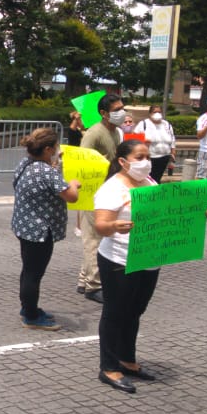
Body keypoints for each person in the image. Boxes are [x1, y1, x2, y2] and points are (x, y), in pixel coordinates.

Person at [93, 139, 197, 393]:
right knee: (115, 312)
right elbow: (101, 226)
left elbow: (164, 212)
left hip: (149, 257)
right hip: (119, 260)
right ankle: (109, 367)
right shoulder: (112, 188)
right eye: (139, 157)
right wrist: (114, 226)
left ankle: (126, 359)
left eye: (147, 157)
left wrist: (194, 214)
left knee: (135, 310)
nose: (146, 162)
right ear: (122, 161)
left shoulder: (150, 183)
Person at [11, 128, 80, 330]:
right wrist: (73, 184)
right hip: (40, 231)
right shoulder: (47, 172)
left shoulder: (26, 163)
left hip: (25, 226)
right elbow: (71, 196)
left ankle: (28, 308)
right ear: (48, 149)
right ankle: (31, 316)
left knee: (28, 270)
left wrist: (54, 165)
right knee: (33, 274)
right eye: (55, 147)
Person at [77, 93, 125, 303]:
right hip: (93, 192)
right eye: (116, 110)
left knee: (95, 237)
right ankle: (94, 286)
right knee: (94, 239)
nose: (121, 113)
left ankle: (84, 280)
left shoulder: (116, 132)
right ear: (104, 113)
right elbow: (81, 161)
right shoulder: (94, 133)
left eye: (122, 108)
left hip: (106, 191)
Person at [133, 105, 177, 183]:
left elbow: (172, 140)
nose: (157, 114)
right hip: (150, 157)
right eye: (155, 112)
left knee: (157, 178)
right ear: (150, 113)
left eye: (159, 112)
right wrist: (144, 140)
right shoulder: (143, 124)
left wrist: (173, 153)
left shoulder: (167, 124)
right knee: (148, 179)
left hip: (164, 157)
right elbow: (134, 137)